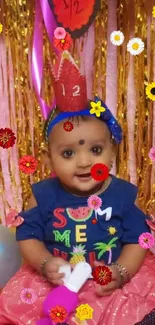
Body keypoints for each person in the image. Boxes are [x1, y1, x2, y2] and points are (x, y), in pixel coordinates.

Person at [0, 51, 155, 325]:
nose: (84, 162)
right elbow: (28, 235)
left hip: (106, 283)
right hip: (55, 280)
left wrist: (122, 271)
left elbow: (136, 239)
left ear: (111, 155)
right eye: (68, 154)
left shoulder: (121, 194)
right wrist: (46, 264)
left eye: (95, 150)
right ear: (49, 159)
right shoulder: (43, 196)